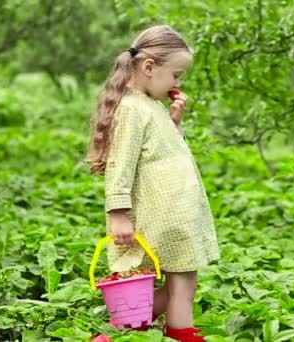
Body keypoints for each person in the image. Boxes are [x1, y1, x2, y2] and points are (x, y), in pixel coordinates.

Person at [86, 25, 220, 342]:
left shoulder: (151, 106)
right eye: (176, 74)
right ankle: (174, 334)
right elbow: (121, 162)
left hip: (176, 218)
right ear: (149, 68)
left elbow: (165, 153)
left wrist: (174, 123)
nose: (178, 83)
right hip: (164, 219)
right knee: (183, 285)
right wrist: (118, 212)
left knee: (179, 286)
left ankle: (133, 334)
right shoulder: (133, 108)